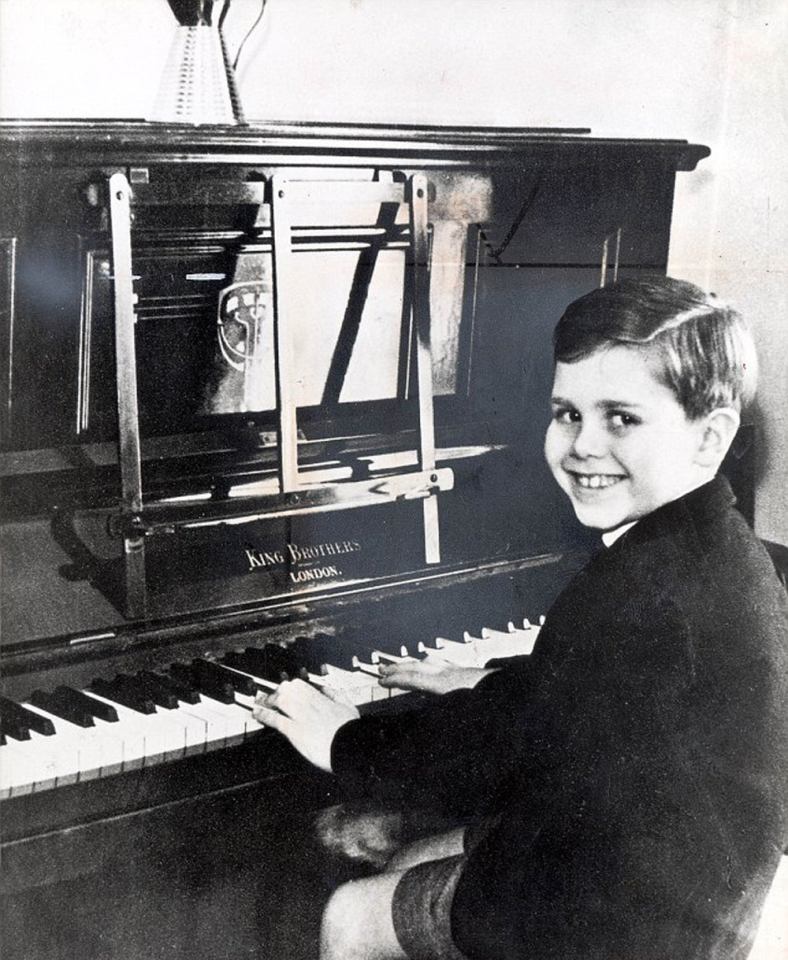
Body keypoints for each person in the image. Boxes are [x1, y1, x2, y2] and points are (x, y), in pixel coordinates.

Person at [252, 276, 788, 960]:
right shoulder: (712, 550)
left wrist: (344, 740)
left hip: (620, 925)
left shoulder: (641, 586)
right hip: (683, 891)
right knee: (405, 856)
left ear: (710, 437)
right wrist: (488, 679)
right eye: (567, 413)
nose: (583, 446)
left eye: (620, 418)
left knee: (351, 914)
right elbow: (584, 700)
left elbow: (496, 752)